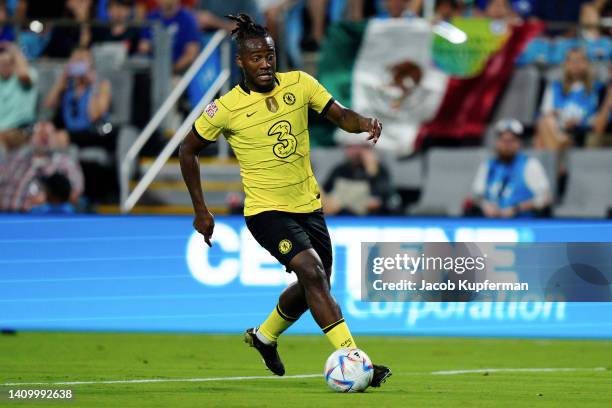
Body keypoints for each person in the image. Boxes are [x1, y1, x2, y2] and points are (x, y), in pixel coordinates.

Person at [179, 14, 391, 386]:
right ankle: (355, 359)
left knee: (315, 282)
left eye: (269, 56)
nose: (264, 64)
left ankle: (264, 336)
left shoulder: (300, 84)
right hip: (266, 211)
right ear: (241, 62)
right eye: (256, 58)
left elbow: (340, 116)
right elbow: (187, 150)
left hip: (309, 205)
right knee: (311, 272)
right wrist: (201, 209)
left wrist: (365, 123)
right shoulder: (225, 108)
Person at [470, 118, 551, 218]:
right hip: (491, 225)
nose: (507, 145)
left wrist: (517, 208)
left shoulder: (529, 165)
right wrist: (486, 206)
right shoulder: (488, 166)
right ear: (497, 142)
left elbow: (544, 198)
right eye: (503, 140)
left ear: (519, 143)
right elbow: (477, 195)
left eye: (512, 141)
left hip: (522, 225)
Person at [0, 121, 84, 212]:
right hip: (5, 216)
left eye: (48, 134)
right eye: (40, 133)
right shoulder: (16, 159)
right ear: (31, 137)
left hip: (39, 218)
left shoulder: (65, 162)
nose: (44, 137)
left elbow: (75, 195)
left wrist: (50, 197)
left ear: (55, 138)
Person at [535, 48, 602, 151]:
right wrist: (562, 120)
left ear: (587, 64)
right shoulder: (554, 87)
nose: (576, 64)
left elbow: (598, 116)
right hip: (559, 130)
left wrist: (581, 122)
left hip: (584, 132)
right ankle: (561, 145)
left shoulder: (596, 88)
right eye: (571, 61)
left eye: (580, 60)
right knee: (543, 122)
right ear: (566, 64)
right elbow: (546, 113)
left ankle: (560, 152)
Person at [45, 48, 113, 147]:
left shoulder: (101, 85)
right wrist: (62, 79)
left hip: (94, 131)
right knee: (45, 133)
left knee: (61, 137)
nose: (77, 64)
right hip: (69, 131)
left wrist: (93, 85)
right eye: (75, 61)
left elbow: (94, 116)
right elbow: (49, 105)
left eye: (81, 61)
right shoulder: (68, 86)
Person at [322, 142, 394, 215]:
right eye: (350, 147)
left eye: (360, 147)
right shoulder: (340, 170)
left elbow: (377, 201)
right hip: (336, 215)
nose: (354, 151)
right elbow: (325, 192)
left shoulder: (378, 170)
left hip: (364, 218)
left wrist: (372, 172)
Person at [138, 0, 200, 74]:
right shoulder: (152, 16)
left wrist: (171, 69)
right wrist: (147, 47)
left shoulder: (187, 19)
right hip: (151, 70)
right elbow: (143, 46)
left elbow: (191, 54)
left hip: (178, 73)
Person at [0, 42, 37, 131]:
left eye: (7, 63)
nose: (4, 67)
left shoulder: (29, 73)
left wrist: (15, 52)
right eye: (1, 64)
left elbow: (24, 76)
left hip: (20, 129)